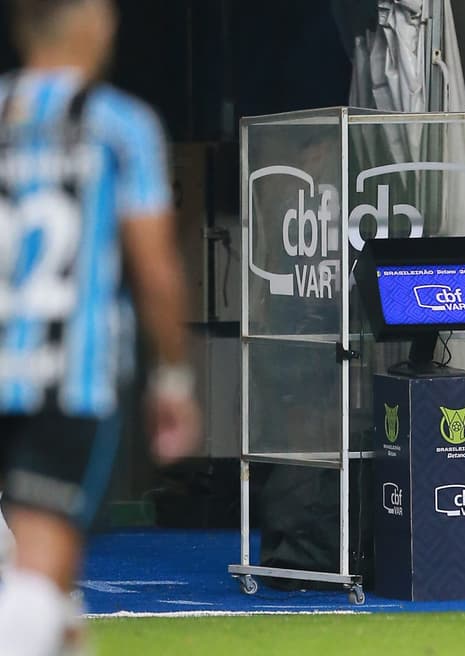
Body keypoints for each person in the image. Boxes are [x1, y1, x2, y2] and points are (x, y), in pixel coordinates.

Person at [0, 1, 200, 653]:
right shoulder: (118, 125)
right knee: (38, 568)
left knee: (47, 592)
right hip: (68, 378)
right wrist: (171, 375)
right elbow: (154, 264)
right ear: (97, 24)